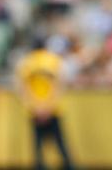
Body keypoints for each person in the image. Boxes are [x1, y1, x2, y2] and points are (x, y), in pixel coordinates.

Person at [16, 39, 75, 170]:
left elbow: (22, 88)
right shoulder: (54, 60)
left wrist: (35, 106)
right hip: (52, 110)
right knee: (60, 145)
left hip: (35, 110)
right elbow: (60, 86)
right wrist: (48, 106)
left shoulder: (27, 62)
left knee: (38, 148)